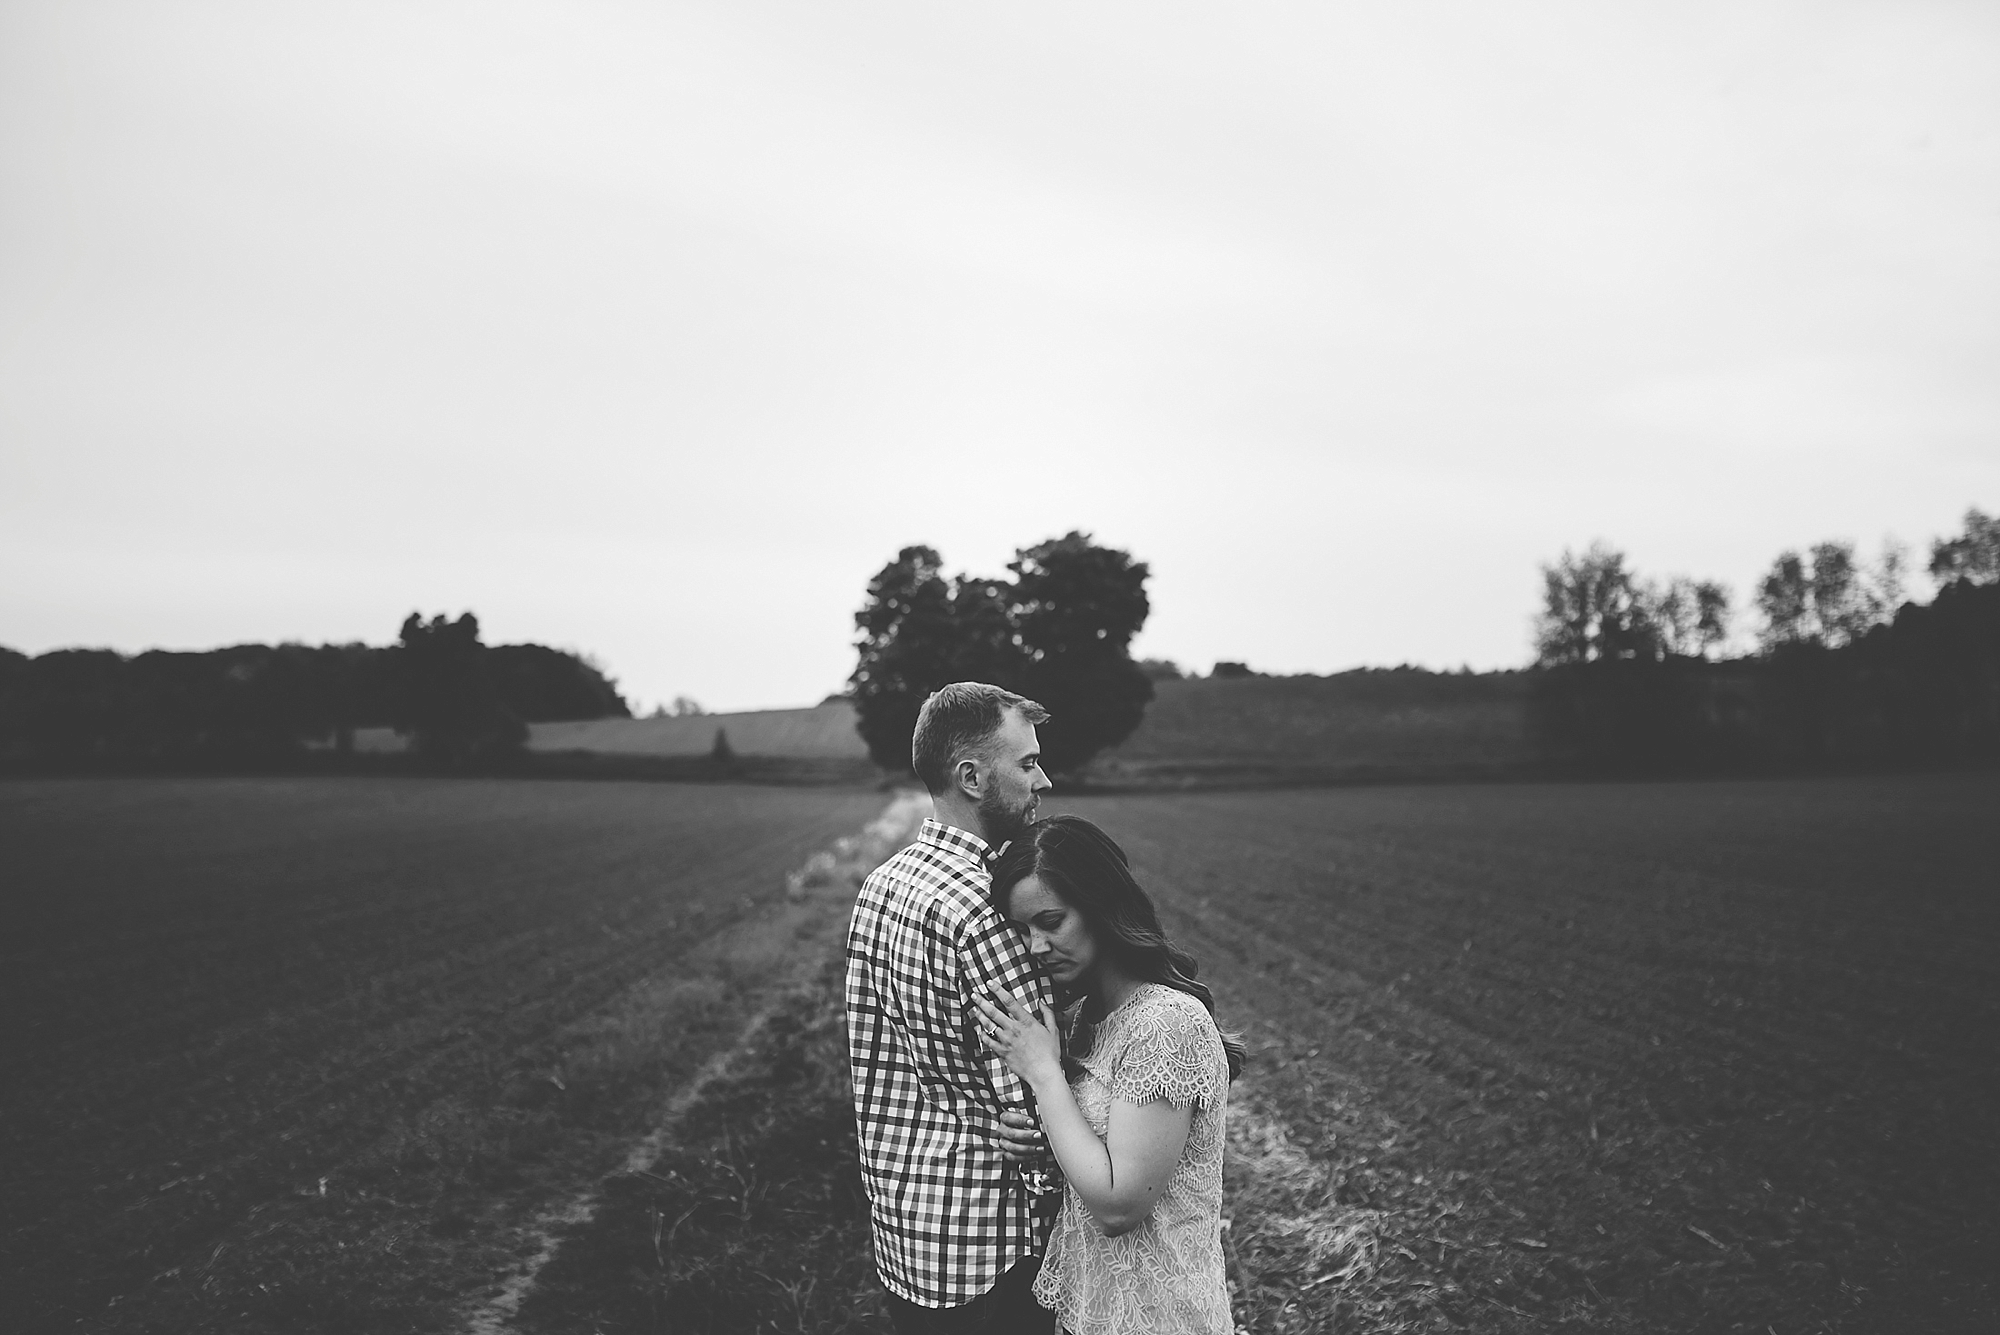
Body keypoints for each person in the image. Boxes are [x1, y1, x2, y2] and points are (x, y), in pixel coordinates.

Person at [975, 815, 1246, 1335]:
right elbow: (1096, 1161)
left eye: (1051, 922)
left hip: (1161, 1316)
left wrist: (1044, 1076)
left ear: (1101, 906)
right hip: (1092, 1311)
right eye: (1023, 930)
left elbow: (1120, 1206)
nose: (1035, 946)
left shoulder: (1166, 1022)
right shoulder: (1087, 1022)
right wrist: (1044, 1142)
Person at [845, 682, 1060, 1334]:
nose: (1044, 779)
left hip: (909, 1234)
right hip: (991, 1247)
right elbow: (1034, 1109)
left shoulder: (883, 884)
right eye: (1026, 762)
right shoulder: (991, 907)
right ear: (971, 775)